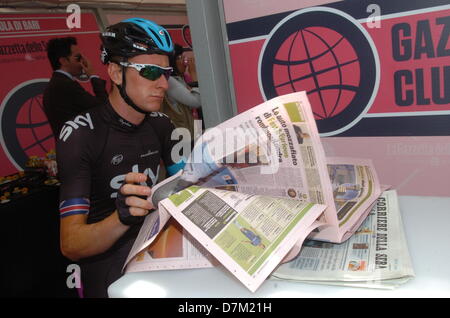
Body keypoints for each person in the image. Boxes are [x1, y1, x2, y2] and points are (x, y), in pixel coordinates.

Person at [56, 18, 185, 298]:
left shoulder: (162, 125)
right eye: (150, 71)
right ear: (115, 72)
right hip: (105, 266)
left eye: (166, 72)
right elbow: (71, 244)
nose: (164, 84)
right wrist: (121, 218)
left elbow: (186, 190)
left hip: (152, 253)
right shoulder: (80, 135)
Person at [43, 37, 108, 136]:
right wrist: (93, 75)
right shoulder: (64, 85)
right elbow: (103, 108)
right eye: (78, 58)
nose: (82, 62)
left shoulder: (57, 84)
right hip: (79, 146)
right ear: (63, 61)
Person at [160, 44, 202, 140]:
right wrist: (195, 76)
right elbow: (196, 102)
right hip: (181, 137)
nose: (184, 62)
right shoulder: (169, 81)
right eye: (179, 58)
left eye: (183, 57)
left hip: (192, 132)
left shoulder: (182, 78)